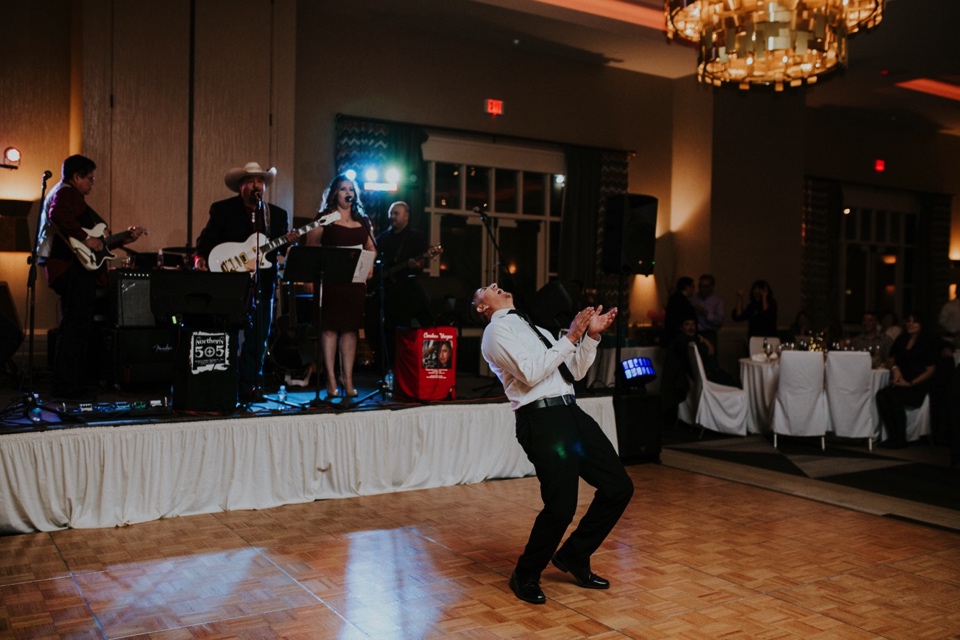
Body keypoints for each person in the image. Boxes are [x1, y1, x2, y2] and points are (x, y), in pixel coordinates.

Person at [472, 282, 633, 605]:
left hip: (571, 413)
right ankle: (526, 573)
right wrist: (571, 337)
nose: (495, 285)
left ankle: (574, 555)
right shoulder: (495, 333)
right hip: (542, 421)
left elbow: (574, 370)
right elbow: (531, 373)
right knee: (561, 506)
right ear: (482, 308)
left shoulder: (532, 326)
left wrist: (590, 337)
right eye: (484, 290)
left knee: (618, 487)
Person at [38, 154, 145, 398]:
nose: (92, 184)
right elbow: (60, 216)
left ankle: (72, 382)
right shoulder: (66, 193)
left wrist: (122, 239)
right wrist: (88, 239)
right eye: (90, 179)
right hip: (70, 269)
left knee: (77, 327)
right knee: (75, 328)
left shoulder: (69, 195)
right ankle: (67, 386)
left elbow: (95, 244)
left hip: (76, 268)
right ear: (76, 177)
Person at [193, 162, 296, 402]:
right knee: (227, 332)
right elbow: (205, 241)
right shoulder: (223, 210)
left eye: (259, 181)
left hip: (264, 282)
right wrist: (200, 258)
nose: (256, 185)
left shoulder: (276, 215)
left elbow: (277, 252)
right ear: (240, 186)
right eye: (250, 181)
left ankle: (249, 385)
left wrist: (289, 241)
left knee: (258, 334)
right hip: (231, 281)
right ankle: (224, 383)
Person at [303, 175, 376, 398]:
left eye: (351, 189)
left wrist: (369, 264)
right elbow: (311, 248)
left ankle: (348, 377)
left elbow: (372, 247)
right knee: (330, 328)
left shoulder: (362, 220)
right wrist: (309, 279)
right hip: (330, 283)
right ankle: (331, 379)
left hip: (354, 282)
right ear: (335, 193)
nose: (348, 193)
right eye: (344, 188)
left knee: (350, 329)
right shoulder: (324, 218)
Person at [369, 201, 431, 368]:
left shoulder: (416, 237)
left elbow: (421, 264)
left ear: (406, 216)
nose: (392, 217)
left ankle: (402, 366)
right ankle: (384, 364)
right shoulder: (382, 238)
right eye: (391, 213)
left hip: (405, 293)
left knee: (401, 328)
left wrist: (416, 264)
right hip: (385, 291)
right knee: (382, 329)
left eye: (396, 213)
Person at [876, 312, 938, 449]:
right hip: (901, 380)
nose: (910, 324)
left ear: (921, 325)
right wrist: (895, 368)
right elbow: (891, 359)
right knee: (881, 395)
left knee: (894, 398)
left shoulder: (927, 342)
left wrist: (910, 383)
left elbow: (930, 370)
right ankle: (892, 436)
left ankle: (899, 438)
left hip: (917, 384)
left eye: (914, 321)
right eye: (908, 321)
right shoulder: (901, 339)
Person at [688, 274, 724, 348]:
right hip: (694, 333)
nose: (702, 289)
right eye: (700, 286)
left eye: (705, 287)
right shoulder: (693, 298)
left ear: (712, 287)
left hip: (709, 334)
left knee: (709, 357)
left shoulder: (717, 301)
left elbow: (719, 321)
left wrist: (705, 313)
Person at [662, 276, 695, 346]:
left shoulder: (674, 299)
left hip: (671, 337)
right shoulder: (683, 302)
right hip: (679, 338)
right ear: (687, 287)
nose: (693, 290)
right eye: (692, 287)